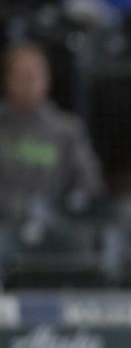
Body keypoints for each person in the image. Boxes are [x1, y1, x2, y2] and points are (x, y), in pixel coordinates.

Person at [0, 43, 104, 223]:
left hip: (54, 227)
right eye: (23, 77)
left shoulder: (67, 129)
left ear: (47, 80)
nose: (29, 84)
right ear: (7, 80)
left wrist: (62, 210)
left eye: (35, 77)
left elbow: (90, 184)